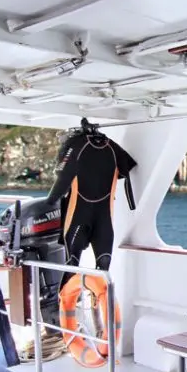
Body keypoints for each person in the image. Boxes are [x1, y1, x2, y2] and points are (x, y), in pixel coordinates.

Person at [46, 119, 137, 289]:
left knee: (72, 262)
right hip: (104, 217)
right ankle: (98, 304)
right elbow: (128, 170)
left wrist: (50, 202)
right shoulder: (113, 148)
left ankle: (66, 308)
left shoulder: (77, 147)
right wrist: (132, 204)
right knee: (104, 263)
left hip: (78, 215)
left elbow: (62, 180)